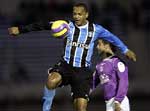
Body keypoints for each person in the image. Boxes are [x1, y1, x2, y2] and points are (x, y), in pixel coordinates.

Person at [8, 2, 136, 111]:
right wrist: (20, 29)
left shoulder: (96, 30)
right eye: (74, 13)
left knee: (80, 108)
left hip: (83, 72)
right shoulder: (66, 26)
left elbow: (113, 38)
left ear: (86, 15)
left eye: (79, 14)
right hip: (66, 65)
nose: (76, 16)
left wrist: (125, 50)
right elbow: (43, 25)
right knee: (51, 80)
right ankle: (46, 109)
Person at [91, 39, 130, 111]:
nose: (97, 47)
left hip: (119, 102)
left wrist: (118, 101)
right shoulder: (99, 66)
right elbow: (92, 83)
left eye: (99, 44)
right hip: (108, 103)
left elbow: (123, 82)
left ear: (107, 46)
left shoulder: (117, 62)